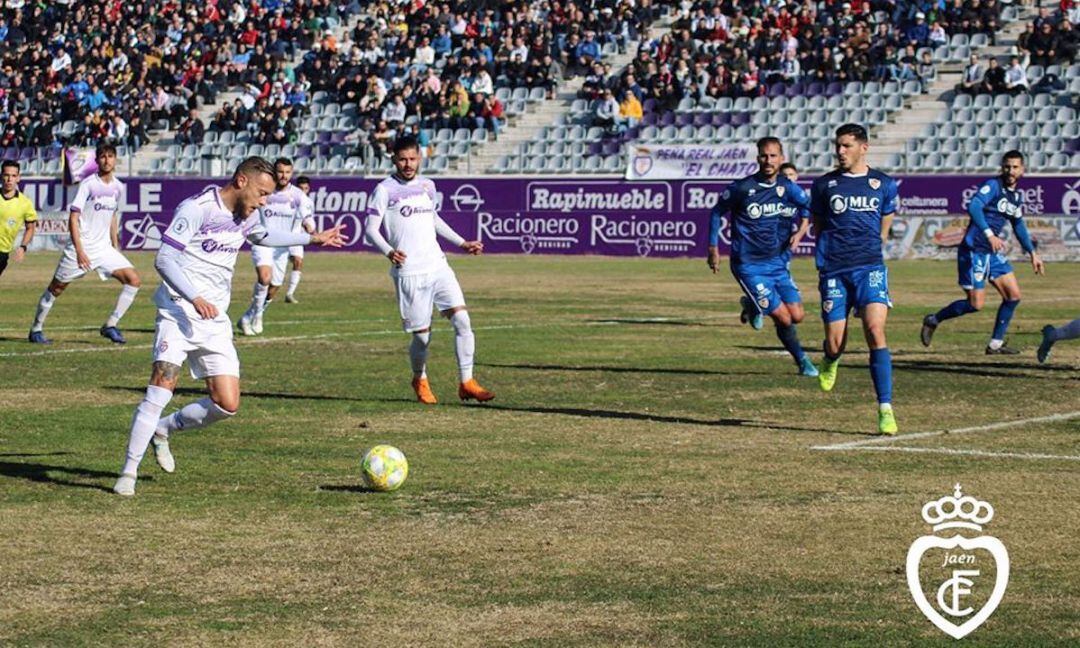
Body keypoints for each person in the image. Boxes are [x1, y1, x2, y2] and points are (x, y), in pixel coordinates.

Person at [113, 157, 344, 496]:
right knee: (162, 385)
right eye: (262, 193)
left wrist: (312, 240)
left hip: (214, 320)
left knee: (227, 404)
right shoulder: (198, 208)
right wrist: (193, 297)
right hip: (178, 311)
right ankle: (128, 473)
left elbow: (263, 235)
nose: (265, 201)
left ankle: (163, 430)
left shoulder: (246, 216)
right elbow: (164, 258)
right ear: (240, 181)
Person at [364, 136, 495, 405]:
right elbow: (370, 229)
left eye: (412, 159)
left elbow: (434, 219)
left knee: (463, 322)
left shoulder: (428, 185)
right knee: (422, 337)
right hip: (410, 271)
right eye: (402, 159)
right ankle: (419, 377)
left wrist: (462, 242)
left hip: (438, 265)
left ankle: (467, 382)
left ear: (420, 158)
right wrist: (389, 251)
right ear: (394, 159)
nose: (408, 164)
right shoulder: (384, 190)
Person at [811, 124, 900, 434]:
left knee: (875, 331)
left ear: (864, 147)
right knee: (837, 342)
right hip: (835, 270)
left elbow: (887, 213)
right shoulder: (824, 185)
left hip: (870, 267)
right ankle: (830, 358)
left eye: (846, 145)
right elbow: (819, 223)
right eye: (838, 145)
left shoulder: (883, 184)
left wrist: (883, 237)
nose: (840, 151)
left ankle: (885, 408)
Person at [707, 138, 818, 377]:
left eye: (773, 156)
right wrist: (713, 247)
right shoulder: (742, 188)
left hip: (778, 264)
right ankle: (802, 361)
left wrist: (800, 231)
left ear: (781, 157)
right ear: (757, 158)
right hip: (749, 266)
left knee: (798, 316)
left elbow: (808, 206)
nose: (768, 161)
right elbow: (717, 211)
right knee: (784, 319)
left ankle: (751, 303)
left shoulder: (788, 188)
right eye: (764, 156)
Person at [921, 151, 1044, 354]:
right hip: (974, 251)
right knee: (975, 304)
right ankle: (934, 319)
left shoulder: (1016, 197)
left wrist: (1032, 253)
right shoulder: (993, 186)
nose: (1010, 171)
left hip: (992, 253)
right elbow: (974, 206)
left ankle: (995, 344)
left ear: (1022, 170)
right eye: (1006, 166)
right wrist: (989, 235)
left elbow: (1018, 225)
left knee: (1013, 296)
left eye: (1014, 167)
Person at [29, 143, 140, 345]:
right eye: (103, 156)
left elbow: (113, 216)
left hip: (104, 248)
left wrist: (115, 246)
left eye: (110, 156)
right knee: (56, 288)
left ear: (115, 160)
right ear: (97, 161)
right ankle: (36, 329)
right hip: (81, 247)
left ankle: (110, 325)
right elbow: (73, 217)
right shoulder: (88, 184)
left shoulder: (118, 187)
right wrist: (79, 250)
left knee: (133, 280)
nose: (107, 160)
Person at [238, 158, 309, 335]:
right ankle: (257, 316)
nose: (283, 176)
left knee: (275, 286)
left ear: (291, 173)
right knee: (265, 277)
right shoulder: (265, 191)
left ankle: (251, 315)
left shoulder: (298, 195)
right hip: (262, 241)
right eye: (280, 172)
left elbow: (307, 216)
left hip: (282, 245)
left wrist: (311, 228)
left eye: (287, 172)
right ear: (274, 172)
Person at [0, 160, 37, 278]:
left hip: (3, 252)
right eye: (6, 175)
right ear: (1, 176)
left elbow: (30, 228)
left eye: (13, 176)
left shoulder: (25, 203)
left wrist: (23, 247)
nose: (9, 179)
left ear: (18, 178)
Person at [285, 175, 317, 303]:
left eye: (306, 188)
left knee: (298, 262)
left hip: (296, 237)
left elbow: (308, 218)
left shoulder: (309, 203)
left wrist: (310, 228)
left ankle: (290, 293)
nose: (303, 191)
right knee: (275, 269)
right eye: (300, 188)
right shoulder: (287, 199)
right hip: (282, 236)